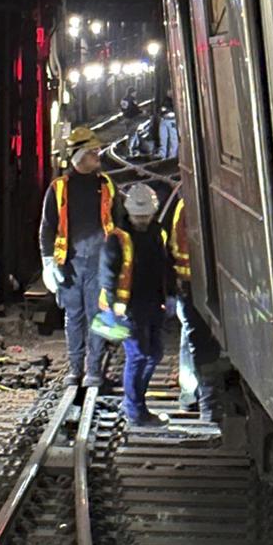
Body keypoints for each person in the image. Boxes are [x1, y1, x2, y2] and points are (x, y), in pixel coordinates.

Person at [39, 127, 118, 387]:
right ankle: (75, 369)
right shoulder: (59, 188)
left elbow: (119, 224)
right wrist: (48, 262)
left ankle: (93, 371)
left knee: (97, 314)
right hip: (70, 263)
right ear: (79, 156)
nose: (98, 156)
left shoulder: (106, 186)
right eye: (93, 152)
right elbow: (47, 227)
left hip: (99, 262)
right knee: (73, 316)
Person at [100, 183, 173, 428]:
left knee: (154, 354)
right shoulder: (117, 238)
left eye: (146, 216)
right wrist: (114, 305)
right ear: (130, 213)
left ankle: (134, 404)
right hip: (128, 307)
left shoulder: (157, 232)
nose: (142, 220)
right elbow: (108, 275)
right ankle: (135, 410)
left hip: (152, 303)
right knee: (139, 355)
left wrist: (171, 294)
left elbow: (164, 264)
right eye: (138, 216)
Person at [165, 194, 219, 421]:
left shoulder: (184, 207)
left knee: (191, 339)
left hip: (190, 285)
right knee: (198, 341)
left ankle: (190, 396)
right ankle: (204, 403)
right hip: (191, 286)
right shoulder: (187, 208)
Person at [120, 87, 144, 155]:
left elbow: (123, 109)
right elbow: (135, 109)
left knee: (131, 133)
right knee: (132, 134)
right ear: (132, 92)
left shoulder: (123, 99)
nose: (136, 94)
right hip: (133, 118)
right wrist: (142, 112)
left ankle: (135, 147)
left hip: (126, 118)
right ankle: (129, 151)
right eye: (135, 92)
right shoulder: (133, 99)